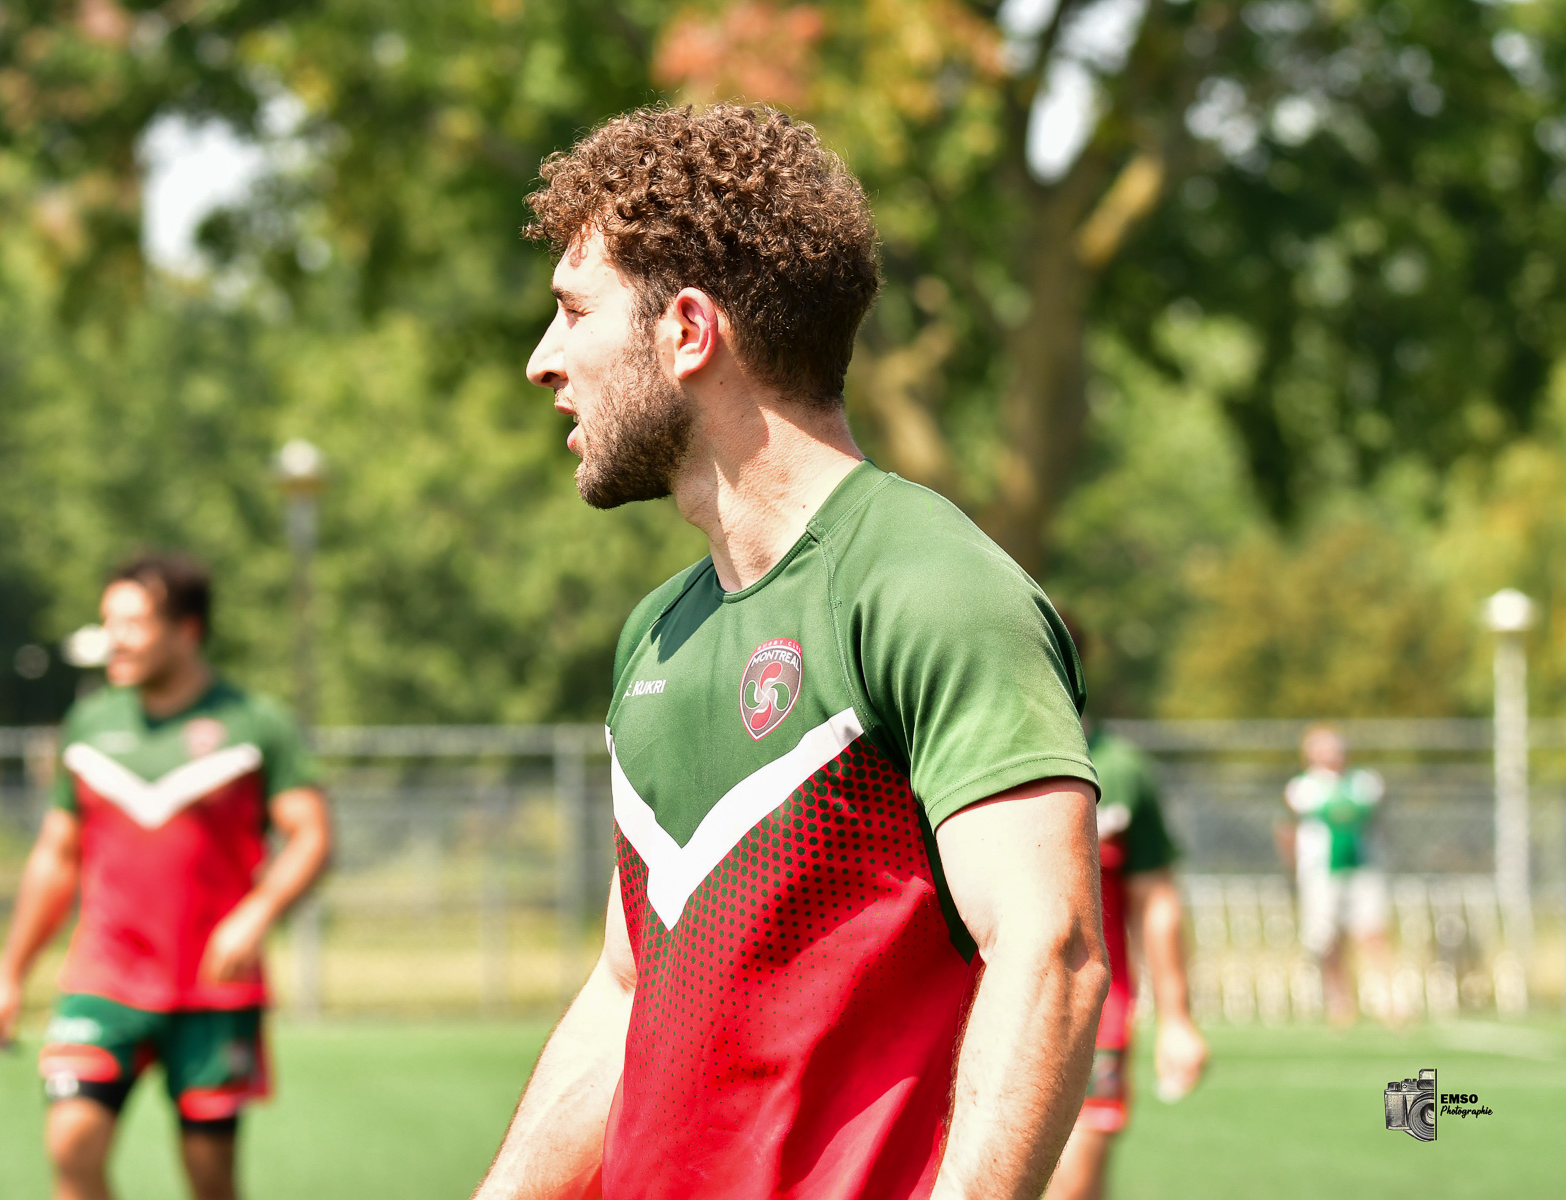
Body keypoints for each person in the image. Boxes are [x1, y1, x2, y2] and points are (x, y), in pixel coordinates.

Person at [476, 104, 1108, 1200]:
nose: (543, 361)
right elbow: (626, 995)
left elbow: (1047, 948)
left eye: (573, 311)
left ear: (687, 330)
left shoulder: (929, 587)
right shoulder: (657, 632)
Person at [0, 552, 331, 1200]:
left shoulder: (256, 724)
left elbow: (311, 836)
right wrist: (8, 976)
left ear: (187, 630)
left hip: (213, 991)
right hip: (103, 978)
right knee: (72, 1144)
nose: (115, 638)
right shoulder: (89, 725)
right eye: (109, 622)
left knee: (210, 1179)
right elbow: (56, 857)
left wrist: (256, 914)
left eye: (133, 624)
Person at [1048, 723, 1207, 1200]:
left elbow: (1155, 899)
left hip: (1095, 1015)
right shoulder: (959, 741)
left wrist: (1177, 1018)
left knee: (1074, 1184)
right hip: (981, 1011)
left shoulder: (1121, 769)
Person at [1285, 724, 1392, 1025]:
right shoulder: (1303, 788)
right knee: (1327, 940)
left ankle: (1386, 1000)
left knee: (1372, 933)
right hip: (1321, 873)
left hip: (1362, 868)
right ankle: (1339, 1002)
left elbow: (1369, 813)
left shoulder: (1364, 782)